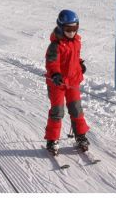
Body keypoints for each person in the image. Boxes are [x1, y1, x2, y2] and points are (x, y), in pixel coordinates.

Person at [44, 9, 89, 155]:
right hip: (58, 83)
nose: (72, 32)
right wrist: (55, 74)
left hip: (73, 82)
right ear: (60, 27)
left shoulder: (76, 41)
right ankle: (52, 140)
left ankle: (80, 136)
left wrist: (80, 64)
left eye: (74, 28)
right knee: (57, 112)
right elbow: (52, 62)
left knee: (76, 109)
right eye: (68, 29)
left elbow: (74, 57)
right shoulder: (55, 45)